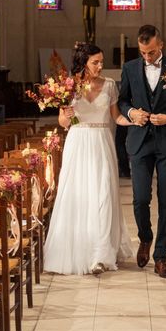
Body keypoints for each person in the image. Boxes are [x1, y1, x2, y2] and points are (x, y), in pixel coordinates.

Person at [44, 43, 134, 276]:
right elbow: (63, 123)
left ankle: (101, 255)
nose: (100, 66)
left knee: (103, 193)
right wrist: (67, 115)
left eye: (101, 61)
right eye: (95, 62)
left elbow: (117, 118)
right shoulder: (68, 86)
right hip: (78, 142)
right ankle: (80, 248)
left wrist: (136, 119)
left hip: (102, 142)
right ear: (84, 62)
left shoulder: (110, 85)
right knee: (80, 195)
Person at [117, 25, 166, 278]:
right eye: (143, 53)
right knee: (140, 198)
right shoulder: (130, 68)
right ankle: (145, 237)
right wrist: (132, 113)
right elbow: (122, 100)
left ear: (160, 44)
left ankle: (161, 256)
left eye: (151, 52)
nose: (147, 58)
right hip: (139, 141)